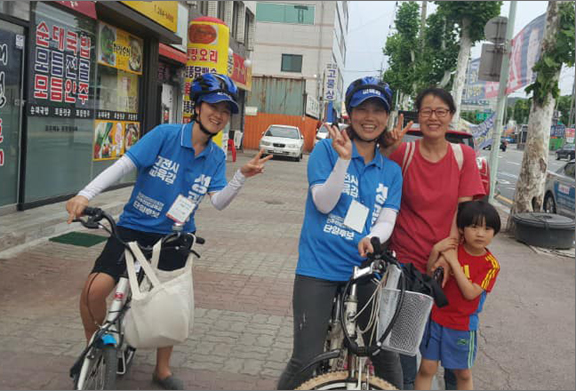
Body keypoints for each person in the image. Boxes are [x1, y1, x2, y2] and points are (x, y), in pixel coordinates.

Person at [65, 73, 272, 390]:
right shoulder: (165, 135)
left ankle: (161, 370)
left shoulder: (215, 156)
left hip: (175, 238)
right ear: (198, 107)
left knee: (168, 308)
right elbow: (124, 164)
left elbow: (218, 202)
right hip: (133, 228)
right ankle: (98, 350)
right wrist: (84, 195)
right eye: (213, 106)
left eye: (225, 110)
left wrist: (241, 176)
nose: (218, 115)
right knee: (92, 292)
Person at [277, 76, 412, 390]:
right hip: (318, 267)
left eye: (378, 110)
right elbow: (323, 204)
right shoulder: (326, 150)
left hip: (363, 270)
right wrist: (343, 160)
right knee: (305, 358)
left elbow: (387, 218)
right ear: (349, 113)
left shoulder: (390, 170)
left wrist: (374, 239)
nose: (370, 117)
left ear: (387, 117)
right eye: (362, 108)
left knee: (382, 354)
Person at [381, 87, 486, 390]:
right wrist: (388, 147)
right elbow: (380, 181)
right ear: (418, 117)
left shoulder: (462, 155)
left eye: (441, 111)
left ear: (451, 117)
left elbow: (463, 212)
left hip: (450, 269)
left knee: (452, 350)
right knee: (404, 344)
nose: (433, 117)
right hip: (408, 265)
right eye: (427, 111)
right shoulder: (405, 153)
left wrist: (446, 255)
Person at [415, 200, 501, 390]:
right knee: (426, 368)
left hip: (462, 326)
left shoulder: (490, 265)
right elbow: (431, 276)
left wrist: (454, 263)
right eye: (474, 227)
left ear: (495, 232)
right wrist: (436, 251)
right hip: (436, 319)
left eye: (487, 228)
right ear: (462, 229)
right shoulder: (452, 248)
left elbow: (470, 293)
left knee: (462, 373)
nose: (480, 233)